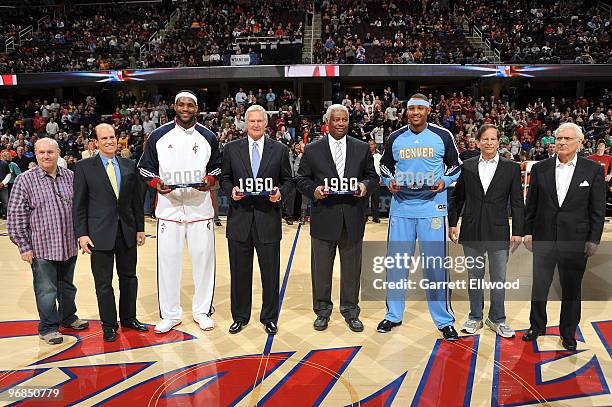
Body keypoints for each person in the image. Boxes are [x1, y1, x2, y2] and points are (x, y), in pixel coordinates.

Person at [377, 93, 462, 340]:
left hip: (432, 209)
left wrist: (444, 181)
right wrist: (389, 181)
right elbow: (384, 166)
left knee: (435, 267)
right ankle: (393, 314)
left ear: (428, 110)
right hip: (401, 209)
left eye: (419, 109)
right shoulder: (395, 137)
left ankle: (444, 319)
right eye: (411, 108)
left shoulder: (442, 135)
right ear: (406, 111)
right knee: (396, 265)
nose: (415, 112)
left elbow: (455, 166)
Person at [138, 90, 220, 334]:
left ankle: (202, 311)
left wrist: (209, 180)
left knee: (204, 264)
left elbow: (217, 168)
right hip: (169, 210)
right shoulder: (158, 135)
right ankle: (170, 314)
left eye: (191, 105)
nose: (186, 109)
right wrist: (156, 184)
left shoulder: (208, 136)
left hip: (200, 209)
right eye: (181, 105)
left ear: (197, 108)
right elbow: (144, 168)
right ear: (174, 107)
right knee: (168, 264)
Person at [523, 122, 606, 350]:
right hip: (543, 237)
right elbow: (531, 204)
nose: (561, 142)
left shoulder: (593, 170)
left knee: (571, 288)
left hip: (575, 240)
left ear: (579, 143)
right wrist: (528, 232)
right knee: (540, 284)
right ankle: (536, 325)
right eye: (558, 138)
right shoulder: (540, 168)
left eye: (567, 139)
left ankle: (568, 332)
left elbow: (597, 210)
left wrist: (593, 239)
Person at [296, 104, 377, 332]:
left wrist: (364, 187)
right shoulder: (312, 150)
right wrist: (315, 190)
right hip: (324, 217)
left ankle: (351, 311)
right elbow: (301, 179)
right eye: (336, 120)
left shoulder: (361, 148)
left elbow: (373, 177)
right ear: (328, 122)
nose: (341, 123)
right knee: (321, 269)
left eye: (344, 120)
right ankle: (322, 311)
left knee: (352, 270)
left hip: (352, 218)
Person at [7, 138, 89, 345]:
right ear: (35, 154)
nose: (46, 156)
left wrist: (81, 235)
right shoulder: (24, 180)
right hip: (41, 247)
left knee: (67, 286)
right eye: (41, 152)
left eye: (50, 152)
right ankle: (48, 328)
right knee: (46, 289)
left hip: (68, 244)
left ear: (58, 153)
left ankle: (68, 317)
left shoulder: (71, 177)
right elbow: (15, 216)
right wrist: (23, 246)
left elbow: (81, 210)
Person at [221, 104, 292, 335]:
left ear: (266, 123)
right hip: (240, 220)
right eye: (251, 121)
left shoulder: (279, 149)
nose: (255, 125)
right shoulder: (231, 149)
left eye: (260, 121)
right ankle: (240, 317)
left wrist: (280, 193)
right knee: (239, 273)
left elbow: (288, 180)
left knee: (270, 274)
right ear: (245, 124)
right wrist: (231, 190)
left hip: (268, 220)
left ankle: (269, 317)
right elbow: (225, 178)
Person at [73, 124, 147, 342]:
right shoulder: (84, 167)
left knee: (129, 278)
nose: (109, 141)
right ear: (95, 142)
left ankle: (129, 318)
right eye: (103, 138)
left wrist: (140, 228)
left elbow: (135, 201)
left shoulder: (128, 164)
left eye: (112, 137)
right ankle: (109, 324)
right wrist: (82, 234)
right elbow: (79, 205)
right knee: (104, 284)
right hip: (98, 234)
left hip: (126, 231)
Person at [448, 124, 524, 338]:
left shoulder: (510, 167)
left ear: (499, 142)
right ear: (478, 142)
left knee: (498, 277)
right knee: (475, 276)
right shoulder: (468, 166)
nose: (489, 142)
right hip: (471, 230)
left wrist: (518, 230)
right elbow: (458, 197)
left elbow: (517, 202)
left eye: (493, 139)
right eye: (485, 139)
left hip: (499, 231)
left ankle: (497, 318)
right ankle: (475, 316)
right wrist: (453, 223)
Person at [367, 139, 382, 223]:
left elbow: (381, 168)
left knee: (375, 200)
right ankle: (364, 217)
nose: (370, 146)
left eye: (372, 144)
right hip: (367, 179)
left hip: (376, 179)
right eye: (369, 144)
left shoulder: (379, 156)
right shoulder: (364, 155)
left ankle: (375, 217)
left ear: (375, 145)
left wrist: (380, 178)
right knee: (364, 200)